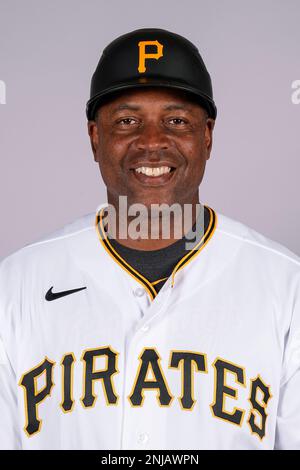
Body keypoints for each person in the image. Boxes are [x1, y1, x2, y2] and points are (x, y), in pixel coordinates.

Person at [0, 27, 299, 451]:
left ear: (207, 136)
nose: (153, 142)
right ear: (95, 137)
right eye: (127, 121)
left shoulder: (288, 288)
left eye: (177, 121)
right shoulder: (14, 286)